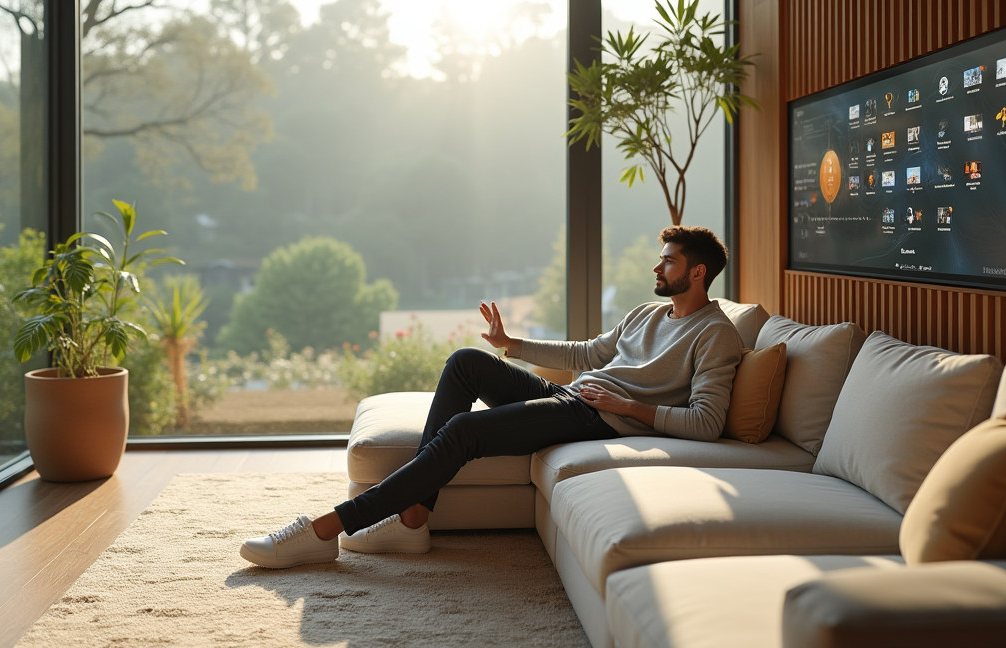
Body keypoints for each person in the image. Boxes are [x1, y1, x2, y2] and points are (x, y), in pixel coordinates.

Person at [239, 225, 744, 568]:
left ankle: (326, 529)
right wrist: (512, 344)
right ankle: (414, 518)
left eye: (668, 261)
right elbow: (588, 352)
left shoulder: (716, 334)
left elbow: (707, 422)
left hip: (599, 418)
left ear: (697, 272)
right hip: (573, 397)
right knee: (466, 361)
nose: (657, 268)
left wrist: (626, 407)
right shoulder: (648, 314)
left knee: (464, 431)